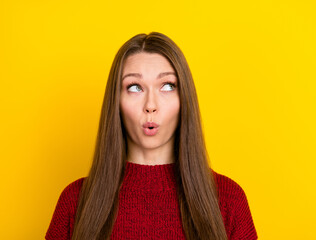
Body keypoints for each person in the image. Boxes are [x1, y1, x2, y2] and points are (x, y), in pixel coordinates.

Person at [45, 32, 257, 240]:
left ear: (184, 99)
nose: (150, 106)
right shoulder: (74, 203)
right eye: (135, 87)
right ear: (116, 102)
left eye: (167, 86)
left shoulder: (229, 201)